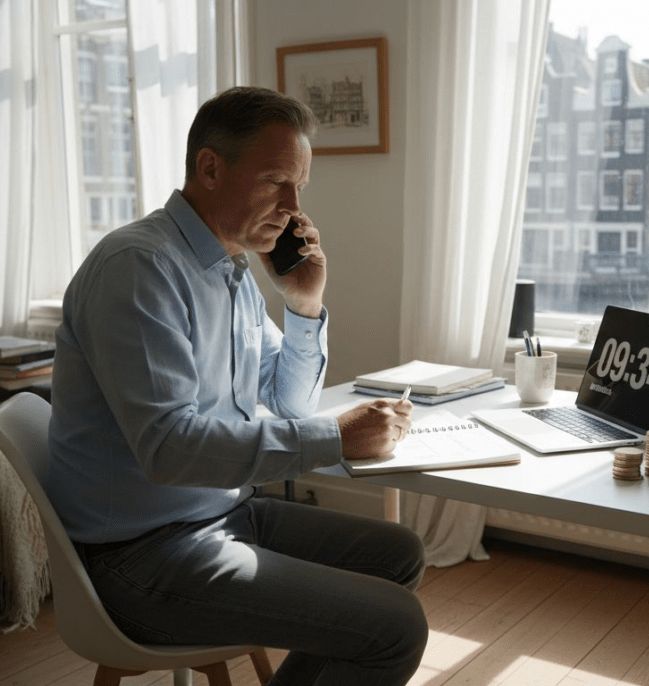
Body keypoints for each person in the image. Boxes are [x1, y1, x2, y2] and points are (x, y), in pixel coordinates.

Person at [47, 86, 428, 685]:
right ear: (209, 168)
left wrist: (304, 305)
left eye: (300, 187)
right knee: (396, 627)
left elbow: (288, 401)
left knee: (398, 554)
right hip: (141, 556)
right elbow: (170, 448)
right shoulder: (139, 268)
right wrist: (335, 439)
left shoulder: (230, 271)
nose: (294, 207)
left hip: (220, 515)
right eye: (277, 180)